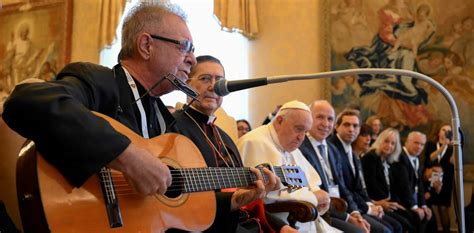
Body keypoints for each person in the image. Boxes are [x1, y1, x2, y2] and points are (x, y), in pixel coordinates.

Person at [2, 3, 271, 232]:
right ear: (146, 45)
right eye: (185, 47)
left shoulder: (166, 120)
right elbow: (26, 101)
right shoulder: (101, 81)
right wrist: (127, 156)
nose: (192, 59)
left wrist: (235, 200)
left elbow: (170, 204)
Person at [171, 55, 279, 232]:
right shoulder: (172, 128)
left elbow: (241, 193)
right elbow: (175, 195)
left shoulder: (225, 138)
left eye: (220, 80)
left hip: (236, 222)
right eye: (205, 78)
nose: (214, 86)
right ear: (186, 83)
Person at [238, 100, 341, 233]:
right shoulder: (253, 142)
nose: (301, 138)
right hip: (275, 223)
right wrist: (314, 197)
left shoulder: (289, 146)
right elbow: (266, 193)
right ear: (280, 121)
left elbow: (310, 181)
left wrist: (318, 194)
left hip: (303, 219)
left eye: (305, 131)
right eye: (298, 129)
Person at [298, 100, 372, 233]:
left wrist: (355, 212)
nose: (326, 124)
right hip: (319, 212)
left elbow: (342, 186)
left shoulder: (333, 149)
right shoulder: (301, 148)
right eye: (320, 117)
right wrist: (347, 217)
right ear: (309, 118)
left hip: (338, 208)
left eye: (330, 119)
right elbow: (313, 194)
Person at [329, 109, 402, 233]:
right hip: (342, 207)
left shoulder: (350, 150)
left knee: (396, 226)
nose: (351, 129)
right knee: (386, 230)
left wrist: (370, 204)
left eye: (355, 126)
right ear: (336, 126)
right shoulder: (333, 148)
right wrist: (367, 208)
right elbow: (343, 188)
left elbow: (358, 188)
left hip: (358, 204)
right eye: (347, 124)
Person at [361, 128, 418, 233]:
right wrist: (389, 203)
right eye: (386, 141)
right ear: (380, 140)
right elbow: (372, 185)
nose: (389, 146)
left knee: (413, 216)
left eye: (393, 143)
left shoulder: (387, 160)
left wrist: (396, 203)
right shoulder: (371, 157)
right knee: (403, 224)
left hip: (389, 202)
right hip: (377, 202)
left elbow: (393, 187)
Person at [391, 131, 435, 233]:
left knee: (430, 218)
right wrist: (414, 207)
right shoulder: (400, 157)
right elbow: (403, 186)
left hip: (412, 199)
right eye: (416, 143)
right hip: (400, 201)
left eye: (422, 144)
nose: (419, 147)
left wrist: (423, 205)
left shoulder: (418, 157)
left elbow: (419, 184)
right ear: (407, 142)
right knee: (416, 217)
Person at [423, 124, 455, 233]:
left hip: (446, 181)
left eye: (448, 131)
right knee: (429, 206)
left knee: (443, 209)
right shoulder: (431, 144)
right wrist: (443, 146)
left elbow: (453, 162)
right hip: (430, 179)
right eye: (443, 130)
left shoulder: (452, 147)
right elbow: (430, 158)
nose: (445, 132)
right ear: (439, 132)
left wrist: (454, 147)